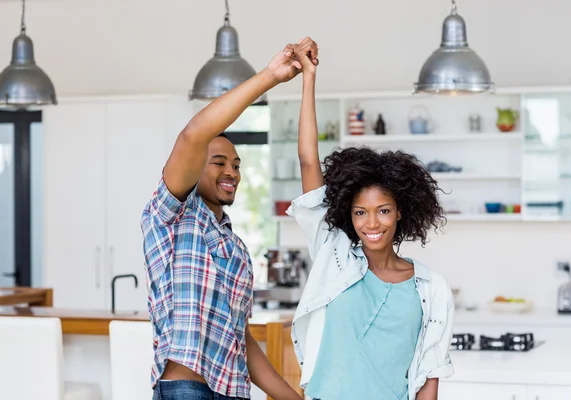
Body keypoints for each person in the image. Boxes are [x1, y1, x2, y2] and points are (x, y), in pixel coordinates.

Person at [141, 39, 319, 400]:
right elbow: (194, 135)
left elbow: (240, 338)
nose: (231, 172)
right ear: (194, 166)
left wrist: (291, 397)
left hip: (234, 391)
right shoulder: (172, 216)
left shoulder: (234, 246)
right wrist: (270, 76)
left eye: (236, 164)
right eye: (218, 162)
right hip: (187, 388)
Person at [286, 39, 455, 400]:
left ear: (400, 212)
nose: (371, 223)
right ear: (348, 214)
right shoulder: (335, 254)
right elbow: (308, 161)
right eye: (360, 212)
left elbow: (430, 378)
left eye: (382, 210)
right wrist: (309, 78)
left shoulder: (431, 287)